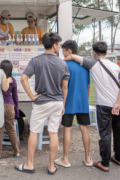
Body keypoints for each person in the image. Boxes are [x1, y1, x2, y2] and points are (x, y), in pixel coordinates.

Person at [15, 32, 70, 175]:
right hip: (57, 102)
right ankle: (51, 166)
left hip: (41, 102)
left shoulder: (36, 61)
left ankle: (29, 164)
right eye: (59, 44)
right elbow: (65, 87)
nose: (59, 47)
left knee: (34, 131)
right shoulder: (62, 63)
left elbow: (23, 78)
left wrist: (32, 96)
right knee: (53, 133)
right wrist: (63, 104)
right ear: (54, 45)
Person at [64, 41, 120, 172]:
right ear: (106, 52)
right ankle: (117, 157)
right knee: (118, 132)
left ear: (94, 53)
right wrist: (118, 102)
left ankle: (105, 163)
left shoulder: (93, 64)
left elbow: (74, 57)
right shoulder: (116, 66)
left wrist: (66, 57)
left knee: (105, 134)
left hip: (103, 105)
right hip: (118, 104)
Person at [54, 40, 93, 168]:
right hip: (82, 102)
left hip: (68, 102)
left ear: (69, 51)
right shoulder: (85, 66)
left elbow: (62, 86)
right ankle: (87, 158)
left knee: (67, 129)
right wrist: (85, 101)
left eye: (63, 51)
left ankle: (65, 159)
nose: (63, 53)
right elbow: (88, 86)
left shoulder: (64, 65)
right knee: (84, 129)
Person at [0, 60, 20, 159]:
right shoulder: (12, 80)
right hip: (10, 106)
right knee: (11, 129)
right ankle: (17, 152)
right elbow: (15, 96)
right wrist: (17, 109)